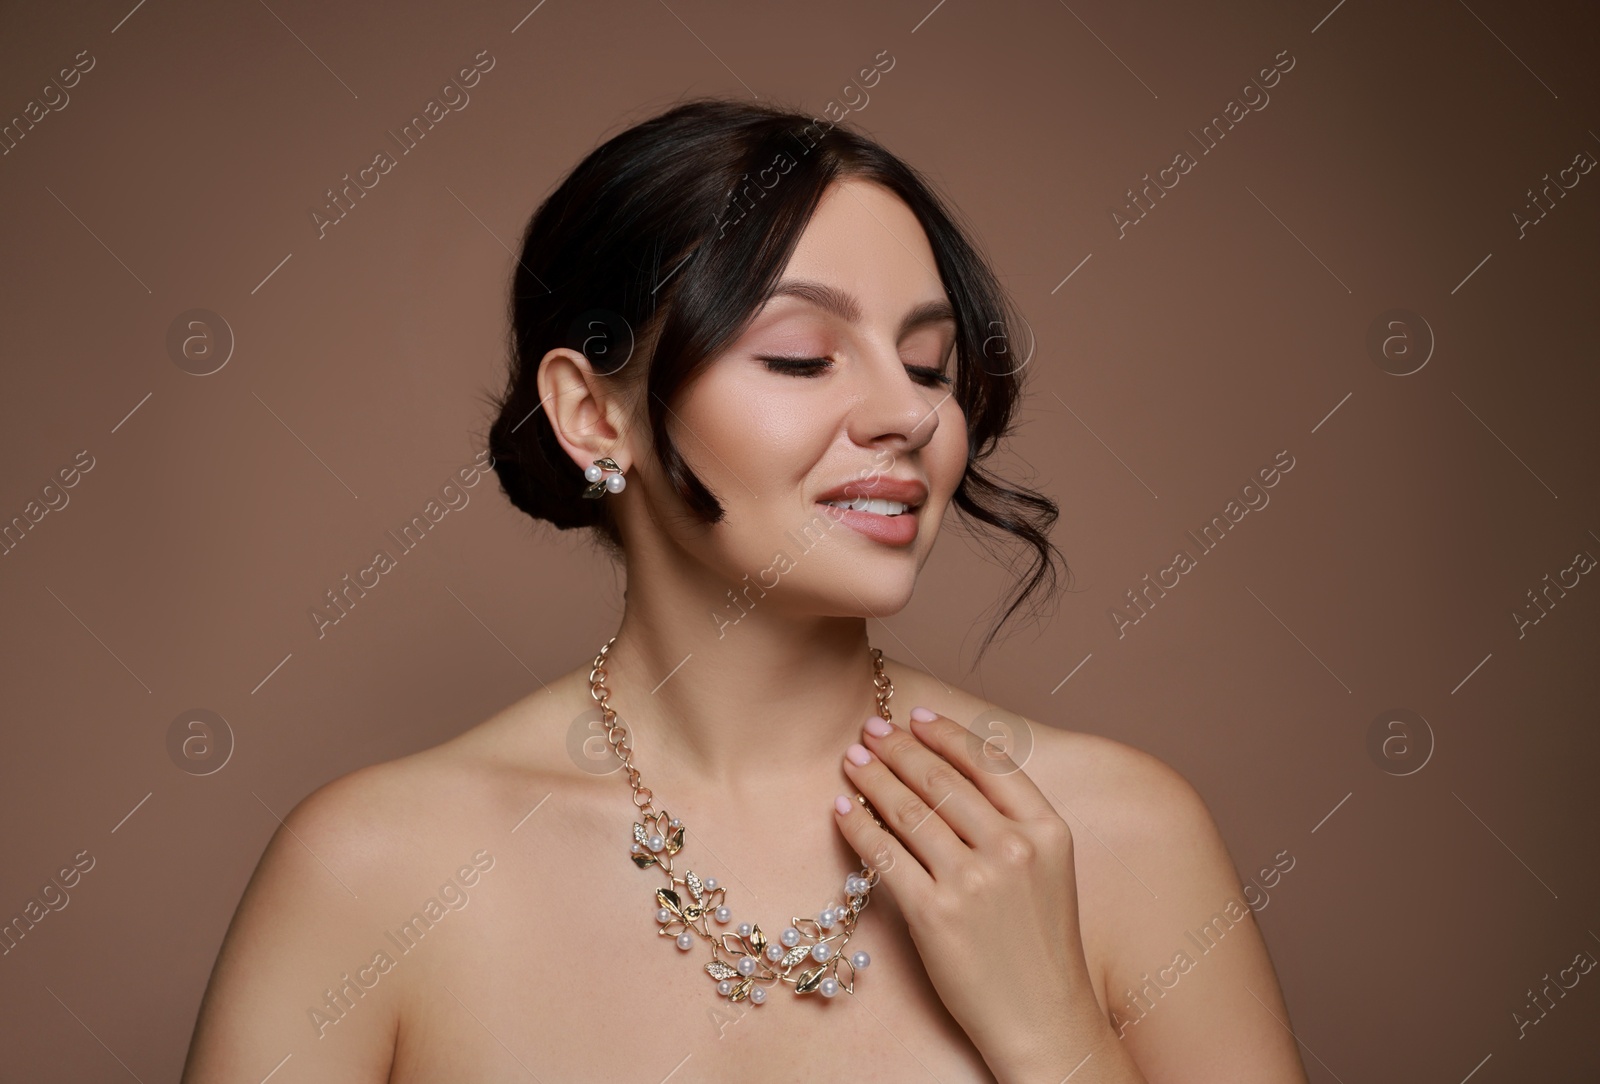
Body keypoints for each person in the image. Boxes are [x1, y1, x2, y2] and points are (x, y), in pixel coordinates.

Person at [182, 97, 1308, 1083]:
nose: (909, 414)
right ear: (592, 411)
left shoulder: (1111, 838)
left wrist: (1053, 1031)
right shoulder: (376, 874)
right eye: (801, 356)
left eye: (928, 365)